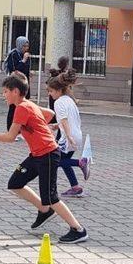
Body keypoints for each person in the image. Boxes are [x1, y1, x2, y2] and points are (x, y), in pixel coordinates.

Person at [0, 73, 88, 244]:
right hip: (36, 155)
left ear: (15, 91)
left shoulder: (22, 108)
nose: (3, 95)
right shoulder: (27, 104)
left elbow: (11, 137)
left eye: (5, 91)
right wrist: (40, 126)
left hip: (48, 154)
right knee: (15, 182)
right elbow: (49, 113)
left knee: (51, 197)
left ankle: (78, 230)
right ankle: (44, 210)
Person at [46, 69, 89, 198]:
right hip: (77, 134)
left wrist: (68, 136)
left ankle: (81, 163)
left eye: (51, 91)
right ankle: (75, 187)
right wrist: (57, 126)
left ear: (59, 90)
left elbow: (64, 120)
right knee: (64, 160)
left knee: (55, 161)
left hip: (68, 137)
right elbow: (67, 120)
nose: (49, 94)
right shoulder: (69, 100)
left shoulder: (59, 102)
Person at [4, 36, 31, 131]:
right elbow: (14, 70)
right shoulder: (13, 54)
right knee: (13, 108)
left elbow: (25, 70)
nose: (26, 48)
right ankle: (10, 129)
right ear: (19, 45)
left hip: (24, 84)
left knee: (23, 108)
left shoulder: (26, 55)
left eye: (27, 46)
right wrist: (23, 60)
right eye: (24, 46)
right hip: (15, 85)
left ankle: (21, 130)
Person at [48, 56, 71, 142]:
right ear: (66, 65)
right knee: (61, 118)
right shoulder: (63, 76)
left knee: (57, 118)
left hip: (53, 97)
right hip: (57, 97)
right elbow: (68, 89)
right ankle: (58, 137)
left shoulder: (57, 73)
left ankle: (56, 136)